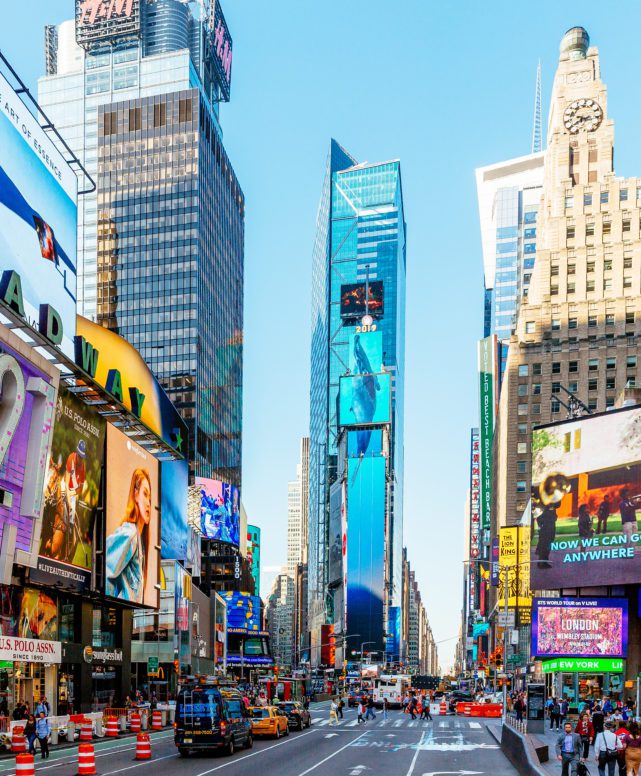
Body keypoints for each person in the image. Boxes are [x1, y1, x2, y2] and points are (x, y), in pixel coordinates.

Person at [105, 468, 153, 603]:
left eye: (150, 497)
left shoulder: (138, 539)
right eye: (145, 494)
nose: (149, 503)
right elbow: (104, 570)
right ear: (136, 494)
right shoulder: (130, 534)